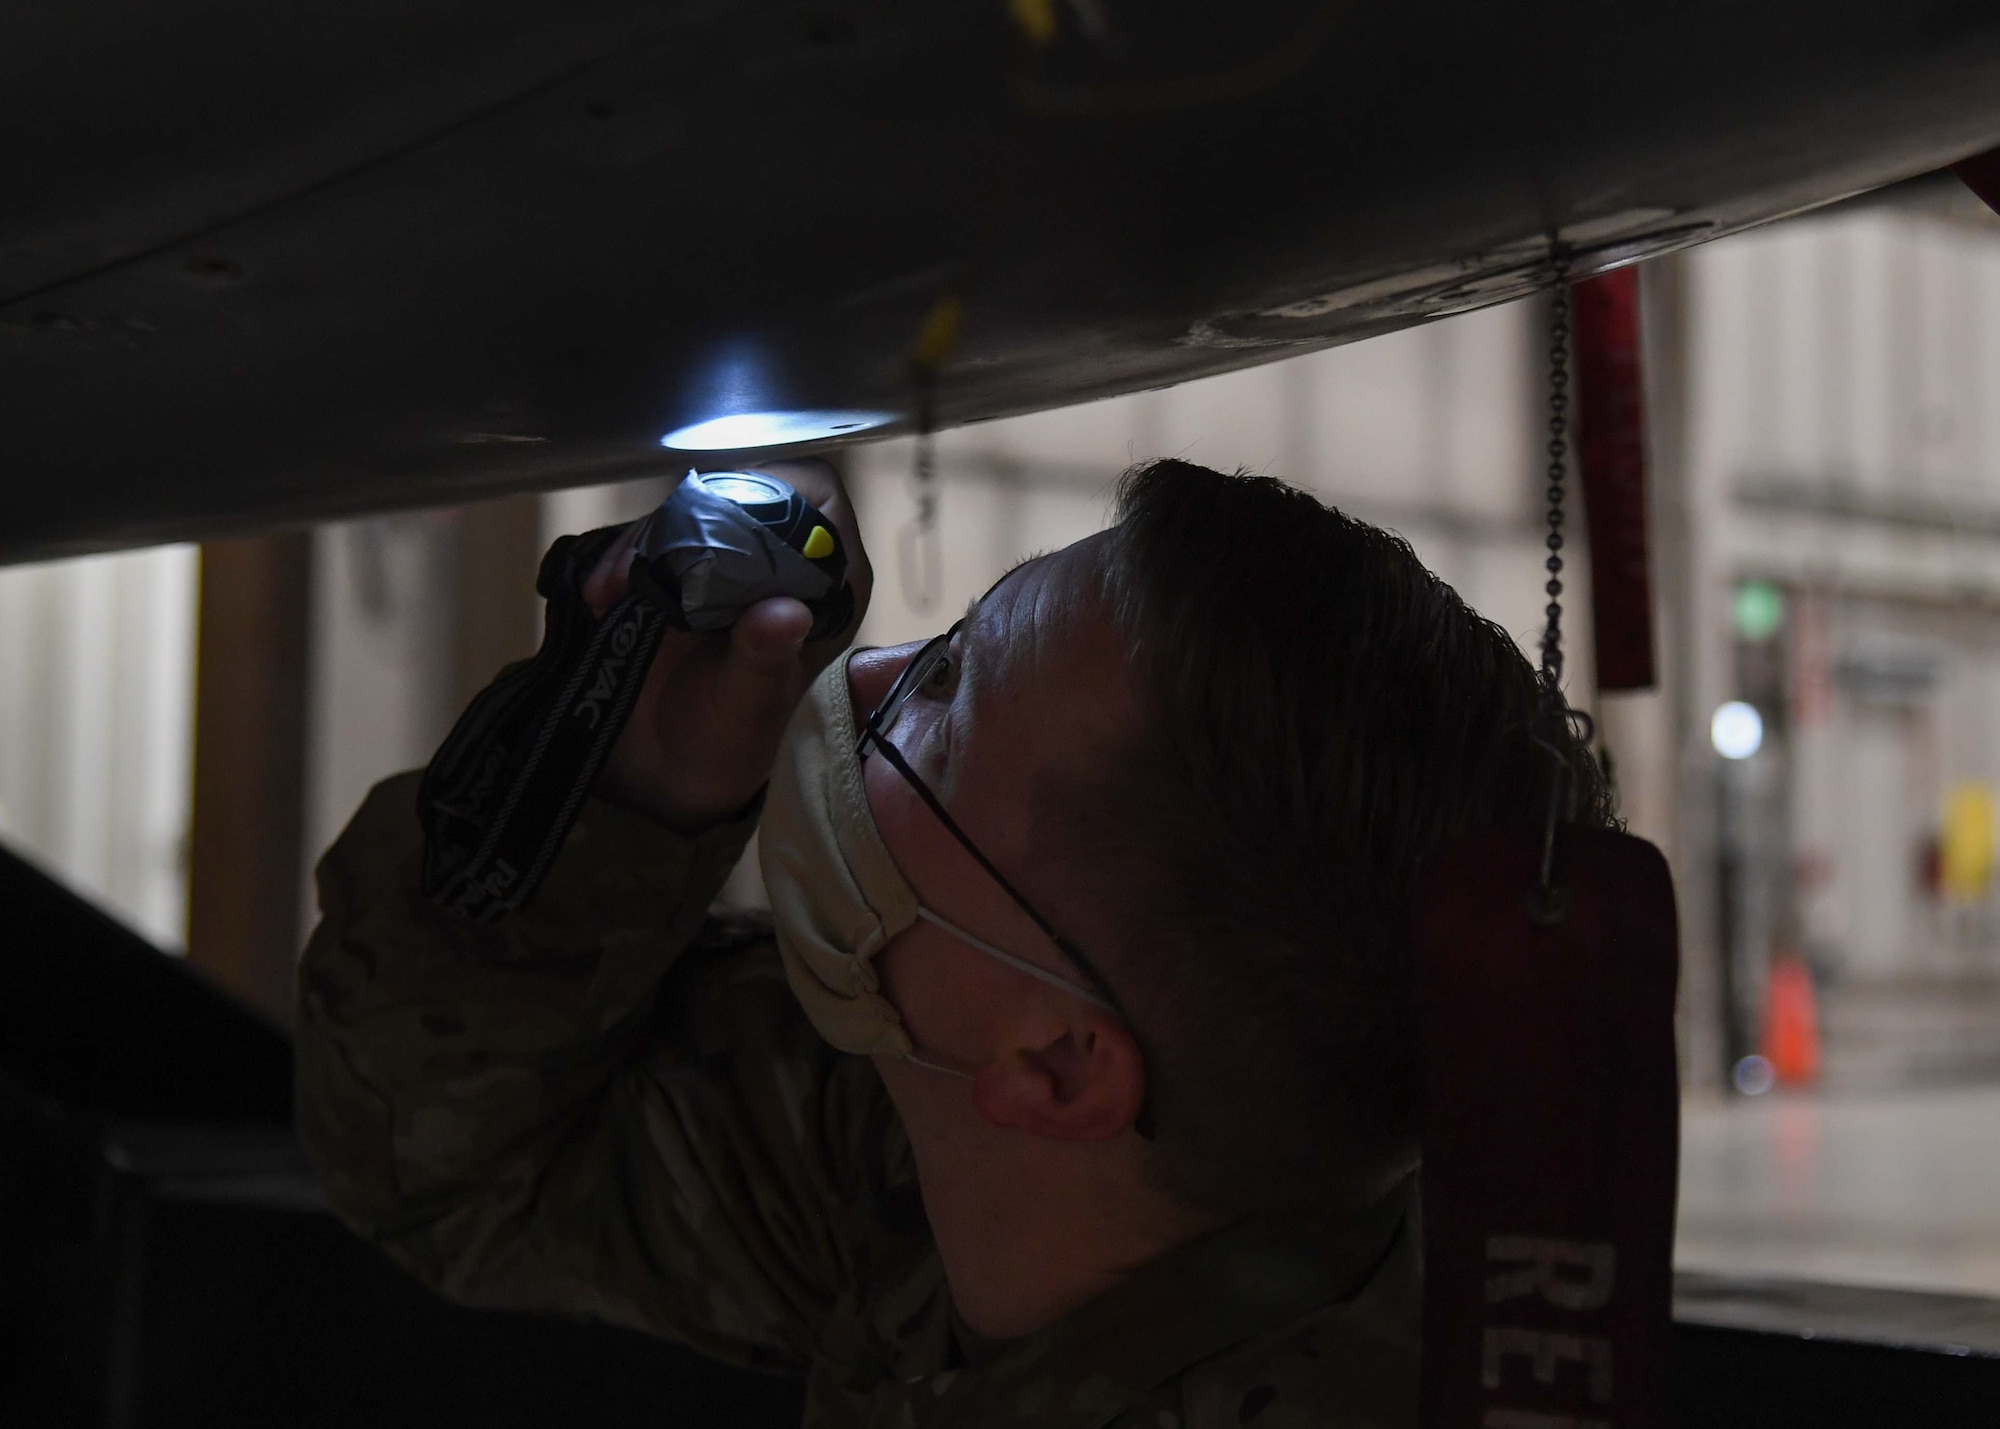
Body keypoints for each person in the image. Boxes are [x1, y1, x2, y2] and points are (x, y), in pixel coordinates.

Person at [297, 457, 1610, 1428]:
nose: (857, 675)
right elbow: (454, 1170)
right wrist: (618, 807)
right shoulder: (979, 1175)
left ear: (1058, 1061)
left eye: (938, 698)